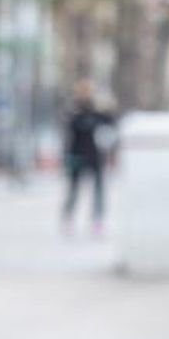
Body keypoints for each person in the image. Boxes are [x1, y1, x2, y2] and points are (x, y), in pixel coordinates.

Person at [61, 81, 113, 236]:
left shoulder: (98, 110)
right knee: (74, 189)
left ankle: (97, 220)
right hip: (77, 154)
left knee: (98, 189)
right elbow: (72, 127)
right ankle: (68, 219)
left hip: (94, 154)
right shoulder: (73, 110)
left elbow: (109, 123)